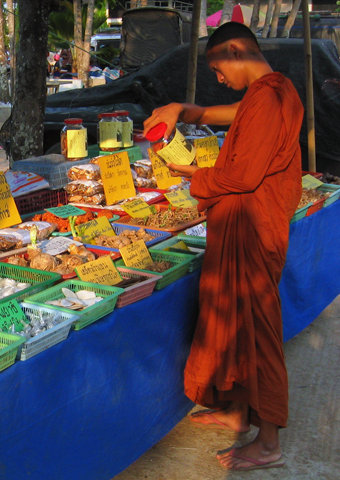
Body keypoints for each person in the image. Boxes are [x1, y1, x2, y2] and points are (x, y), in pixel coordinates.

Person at [143, 22, 304, 471]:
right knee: (233, 322)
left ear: (236, 50)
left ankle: (268, 441)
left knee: (257, 332)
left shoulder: (271, 97)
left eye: (218, 69)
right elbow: (230, 114)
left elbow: (242, 177)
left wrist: (192, 176)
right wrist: (183, 109)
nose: (218, 79)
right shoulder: (270, 92)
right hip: (241, 226)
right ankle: (236, 411)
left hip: (254, 229)